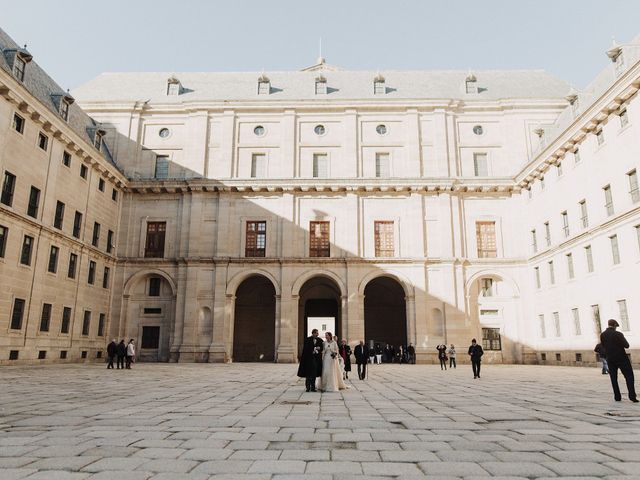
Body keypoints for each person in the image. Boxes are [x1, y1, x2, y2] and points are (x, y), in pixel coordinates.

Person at [600, 319, 638, 403]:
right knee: (629, 376)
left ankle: (617, 396)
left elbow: (603, 345)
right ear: (614, 325)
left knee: (613, 378)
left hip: (610, 358)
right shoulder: (618, 334)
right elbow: (626, 345)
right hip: (621, 358)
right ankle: (632, 396)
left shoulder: (603, 335)